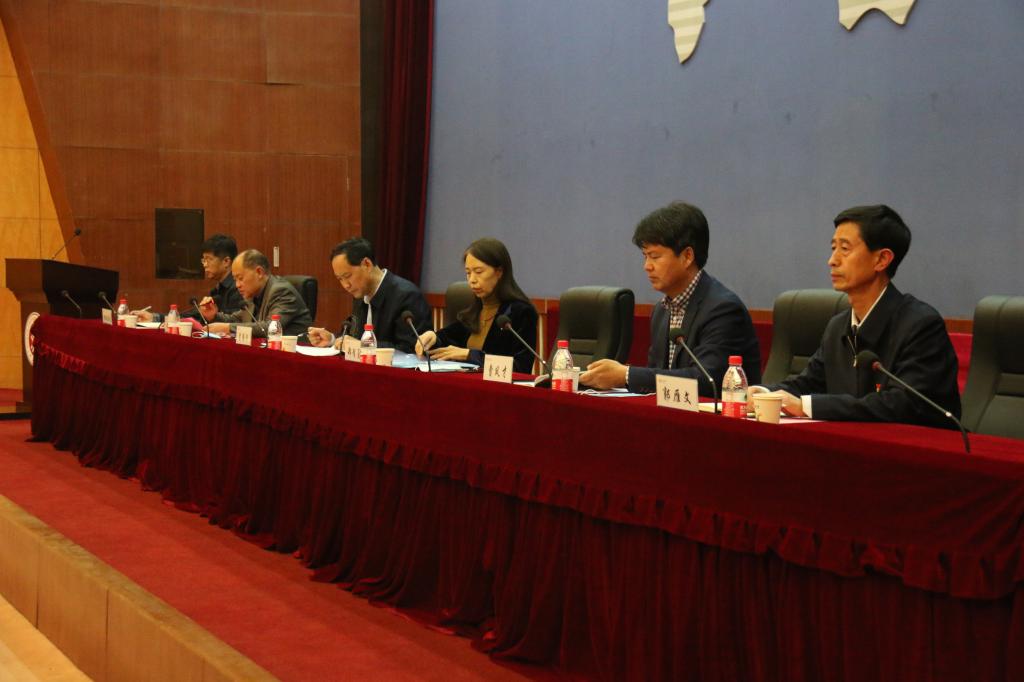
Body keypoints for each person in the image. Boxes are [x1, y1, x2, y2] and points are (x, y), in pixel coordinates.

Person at [748, 205, 960, 427]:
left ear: (882, 260)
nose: (832, 260)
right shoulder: (838, 326)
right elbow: (809, 383)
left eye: (845, 249)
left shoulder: (921, 325)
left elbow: (903, 404)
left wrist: (806, 406)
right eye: (833, 248)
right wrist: (763, 393)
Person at [581, 201, 761, 395]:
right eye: (645, 256)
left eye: (655, 256)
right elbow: (658, 379)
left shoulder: (723, 309)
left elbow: (707, 381)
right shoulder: (661, 311)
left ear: (687, 256)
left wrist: (626, 375)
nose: (647, 266)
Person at [416, 238, 538, 373]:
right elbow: (449, 337)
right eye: (468, 273)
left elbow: (520, 368)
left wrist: (469, 355)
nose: (472, 280)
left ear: (499, 272)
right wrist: (433, 338)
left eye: (478, 272)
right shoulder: (475, 309)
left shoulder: (521, 313)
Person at [306, 238, 430, 353]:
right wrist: (332, 339)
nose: (345, 285)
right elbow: (354, 338)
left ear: (367, 264)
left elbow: (411, 349)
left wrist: (363, 345)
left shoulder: (407, 296)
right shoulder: (360, 294)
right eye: (340, 279)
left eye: (347, 276)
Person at [132, 234, 244, 323]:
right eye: (203, 260)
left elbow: (234, 323)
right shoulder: (217, 290)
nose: (205, 265)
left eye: (209, 259)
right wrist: (155, 317)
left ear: (226, 261)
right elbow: (196, 315)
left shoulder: (238, 289)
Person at [201, 249, 312, 337]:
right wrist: (214, 316)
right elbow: (237, 319)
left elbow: (270, 327)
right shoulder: (254, 294)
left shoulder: (281, 291)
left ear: (259, 272)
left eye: (240, 278)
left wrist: (228, 328)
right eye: (235, 280)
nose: (237, 285)